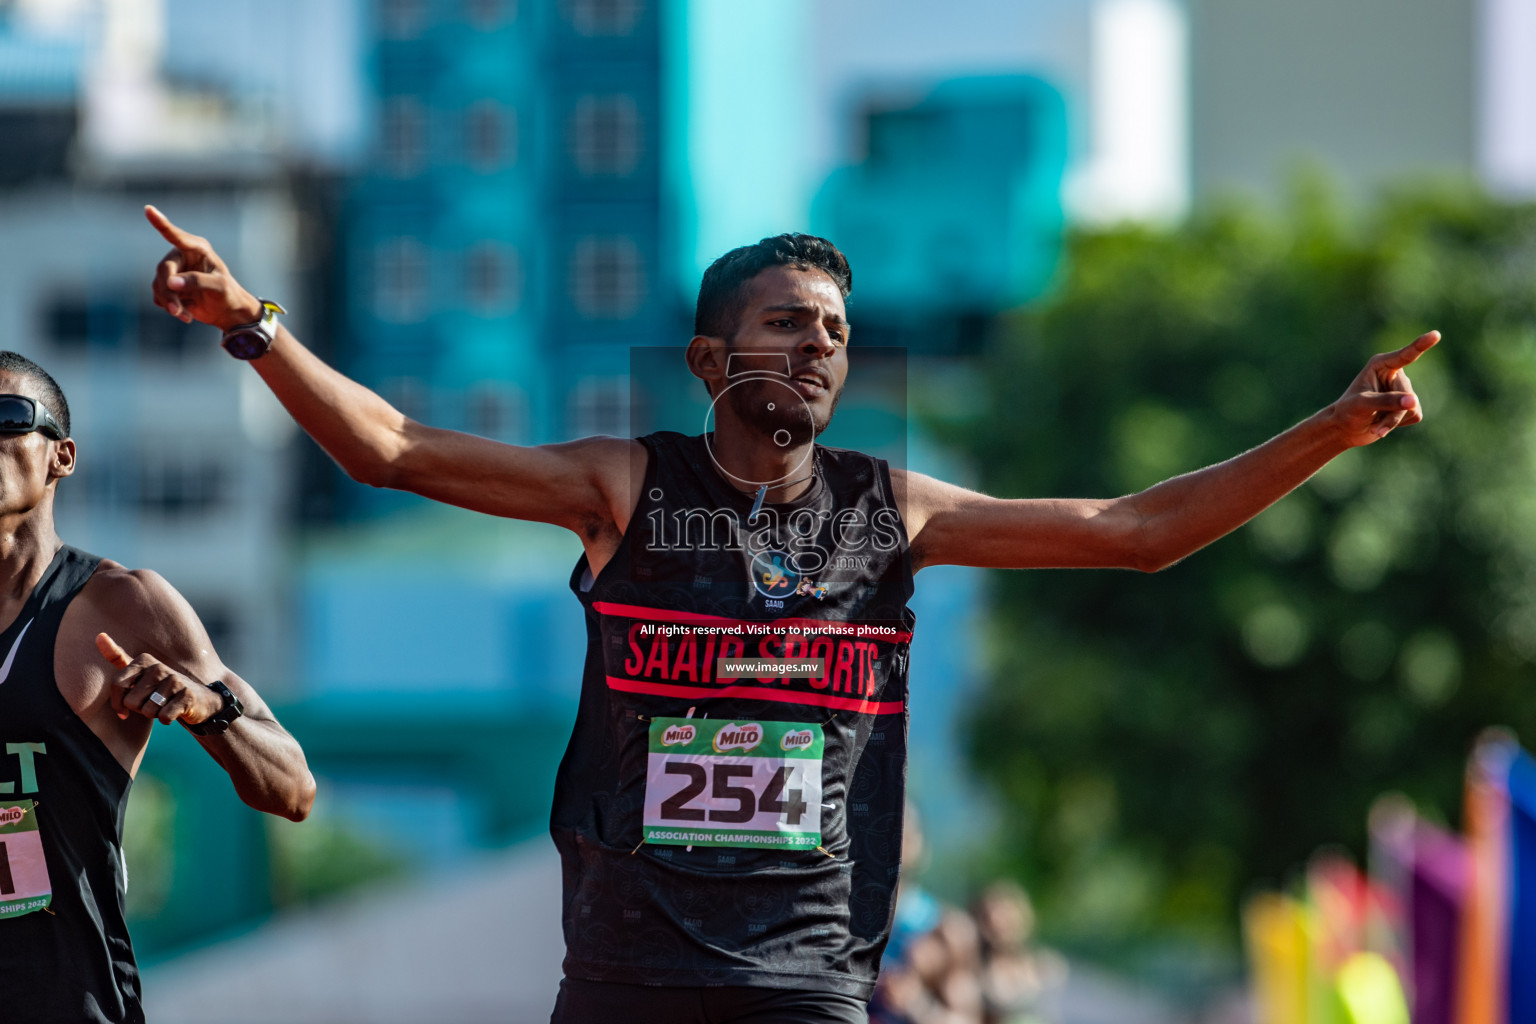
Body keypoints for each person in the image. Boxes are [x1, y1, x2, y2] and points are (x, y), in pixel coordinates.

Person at [142, 205, 1436, 1023]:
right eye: (785, 325)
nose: (818, 348)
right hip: (625, 977)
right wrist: (251, 323)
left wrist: (1334, 428)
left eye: (835, 330)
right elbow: (394, 450)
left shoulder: (897, 516)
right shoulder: (626, 489)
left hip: (807, 979)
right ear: (712, 362)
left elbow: (1137, 534)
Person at [0, 350, 316, 1024]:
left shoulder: (121, 606)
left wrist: (208, 710)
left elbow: (293, 789)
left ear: (63, 456)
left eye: (8, 419)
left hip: (66, 1003)